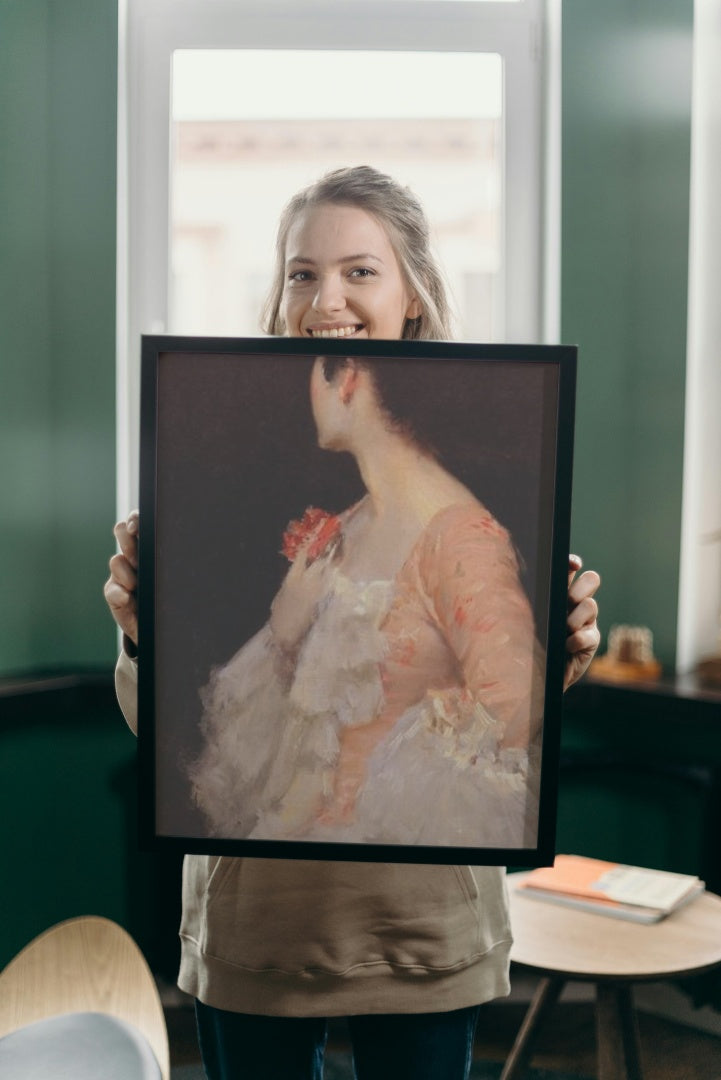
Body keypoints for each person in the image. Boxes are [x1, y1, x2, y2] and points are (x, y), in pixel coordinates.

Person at [105, 166, 601, 1080]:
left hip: (412, 934)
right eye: (301, 273)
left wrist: (559, 658)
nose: (323, 299)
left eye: (358, 272)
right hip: (255, 926)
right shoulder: (333, 532)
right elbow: (190, 738)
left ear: (412, 296)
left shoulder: (464, 536)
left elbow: (508, 728)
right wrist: (145, 635)